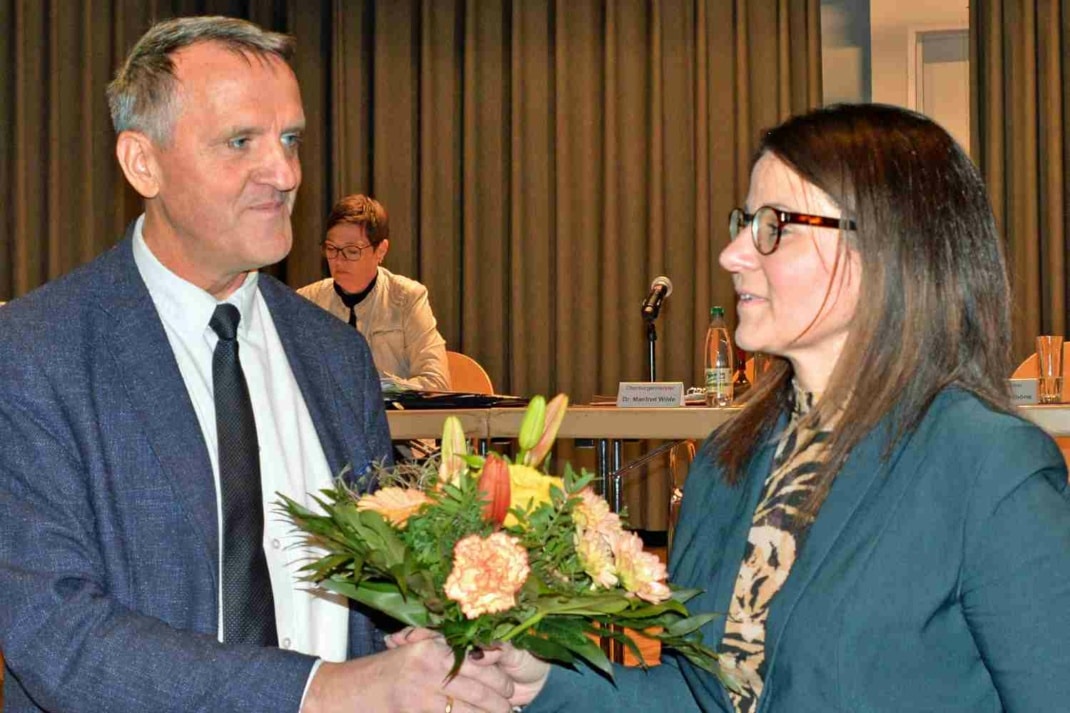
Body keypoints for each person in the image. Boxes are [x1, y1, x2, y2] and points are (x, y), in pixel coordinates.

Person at [463, 104, 1070, 711]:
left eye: (773, 225)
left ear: (888, 248)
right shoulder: (729, 460)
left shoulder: (989, 469)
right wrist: (540, 681)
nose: (732, 254)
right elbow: (704, 695)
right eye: (745, 220)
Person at [0, 16, 511, 713]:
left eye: (291, 139)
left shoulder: (333, 356)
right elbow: (57, 635)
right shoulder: (38, 351)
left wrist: (445, 637)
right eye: (242, 141)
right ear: (141, 162)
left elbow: (372, 592)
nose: (285, 173)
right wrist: (318, 691)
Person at [298, 195, 451, 391]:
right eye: (331, 249)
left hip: (392, 420)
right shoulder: (306, 301)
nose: (338, 260)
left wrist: (376, 390)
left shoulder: (407, 298)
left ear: (381, 250)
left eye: (352, 251)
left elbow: (437, 384)